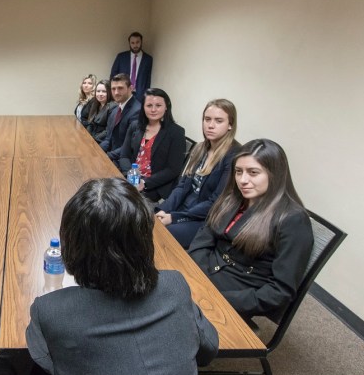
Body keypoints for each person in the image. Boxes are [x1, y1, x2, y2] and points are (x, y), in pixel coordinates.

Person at [22, 178, 218, 375]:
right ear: (144, 240)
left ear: (71, 244)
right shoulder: (175, 285)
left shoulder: (51, 310)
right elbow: (208, 349)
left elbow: (49, 365)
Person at [189, 139, 314, 321]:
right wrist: (197, 274)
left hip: (238, 293)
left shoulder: (293, 219)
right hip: (207, 271)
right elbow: (204, 237)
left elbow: (279, 292)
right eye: (238, 172)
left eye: (253, 173)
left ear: (275, 175)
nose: (242, 180)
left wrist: (217, 298)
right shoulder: (233, 198)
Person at [156, 99, 240, 248]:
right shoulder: (201, 148)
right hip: (183, 208)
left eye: (219, 121)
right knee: (146, 219)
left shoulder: (234, 156)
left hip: (204, 219)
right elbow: (181, 187)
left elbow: (215, 202)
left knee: (163, 235)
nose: (211, 125)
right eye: (207, 119)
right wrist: (162, 210)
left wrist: (174, 217)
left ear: (230, 125)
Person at [119, 88, 185, 202]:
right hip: (131, 178)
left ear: (166, 107)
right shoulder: (135, 126)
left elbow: (173, 169)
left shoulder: (176, 132)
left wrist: (144, 183)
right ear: (143, 107)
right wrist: (131, 175)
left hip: (154, 186)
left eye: (158, 105)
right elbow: (124, 155)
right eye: (149, 105)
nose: (153, 109)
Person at [99, 73, 140, 161]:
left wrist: (107, 157)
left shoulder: (137, 111)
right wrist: (97, 151)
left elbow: (130, 145)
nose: (116, 92)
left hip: (125, 161)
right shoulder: (115, 110)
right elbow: (108, 138)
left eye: (120, 88)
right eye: (113, 89)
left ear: (131, 88)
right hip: (112, 156)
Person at [110, 31, 152, 97]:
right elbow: (113, 75)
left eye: (137, 42)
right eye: (132, 43)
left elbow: (148, 80)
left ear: (141, 42)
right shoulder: (121, 57)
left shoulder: (148, 59)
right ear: (129, 43)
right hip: (122, 94)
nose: (135, 45)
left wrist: (146, 95)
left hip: (140, 96)